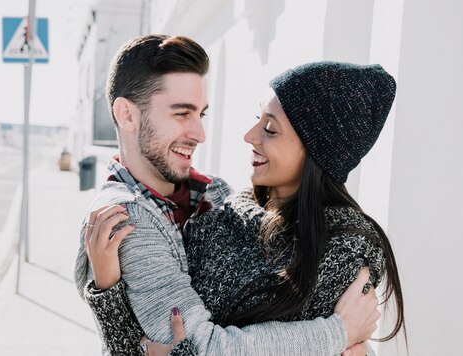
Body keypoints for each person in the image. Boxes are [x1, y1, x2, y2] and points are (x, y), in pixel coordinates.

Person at [74, 34, 378, 356]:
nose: (200, 134)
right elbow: (205, 350)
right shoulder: (126, 220)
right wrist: (337, 333)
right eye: (182, 114)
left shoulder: (218, 194)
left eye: (200, 114)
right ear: (127, 115)